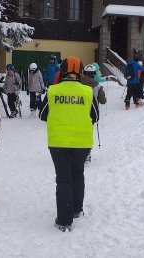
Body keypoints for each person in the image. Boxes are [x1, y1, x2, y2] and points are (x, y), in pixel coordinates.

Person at [39, 56, 99, 232]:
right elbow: (95, 116)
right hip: (82, 144)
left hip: (58, 143)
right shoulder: (87, 91)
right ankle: (76, 209)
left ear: (62, 70)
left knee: (63, 179)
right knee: (78, 173)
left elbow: (42, 115)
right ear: (80, 71)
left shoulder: (53, 91)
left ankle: (64, 221)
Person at [80, 63, 106, 163]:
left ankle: (75, 152)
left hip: (78, 112)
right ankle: (87, 155)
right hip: (91, 113)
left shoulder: (78, 84)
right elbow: (103, 101)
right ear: (93, 74)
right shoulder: (98, 86)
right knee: (88, 134)